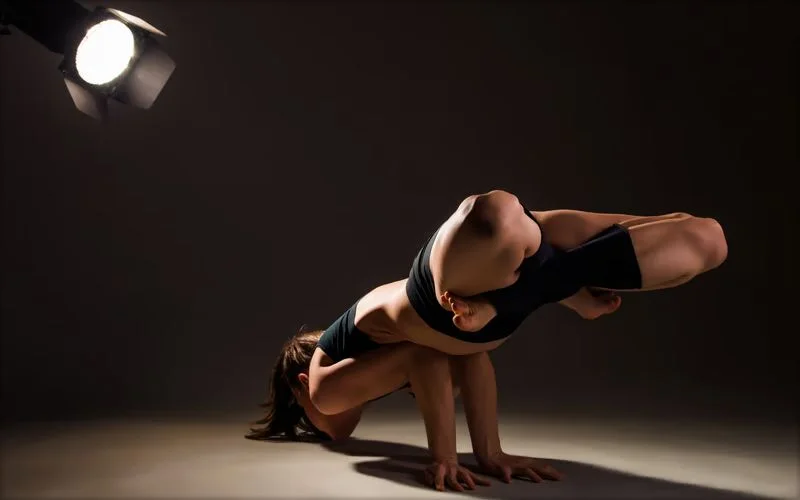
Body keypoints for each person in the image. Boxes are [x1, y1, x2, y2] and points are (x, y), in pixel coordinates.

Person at [246, 190, 728, 492]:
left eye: (306, 423)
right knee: (708, 241)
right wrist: (490, 453)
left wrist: (444, 458)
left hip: (445, 296)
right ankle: (558, 282)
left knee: (496, 216)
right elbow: (467, 356)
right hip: (484, 303)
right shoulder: (380, 353)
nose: (321, 427)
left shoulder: (322, 388)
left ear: (300, 386)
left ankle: (553, 285)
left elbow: (423, 357)